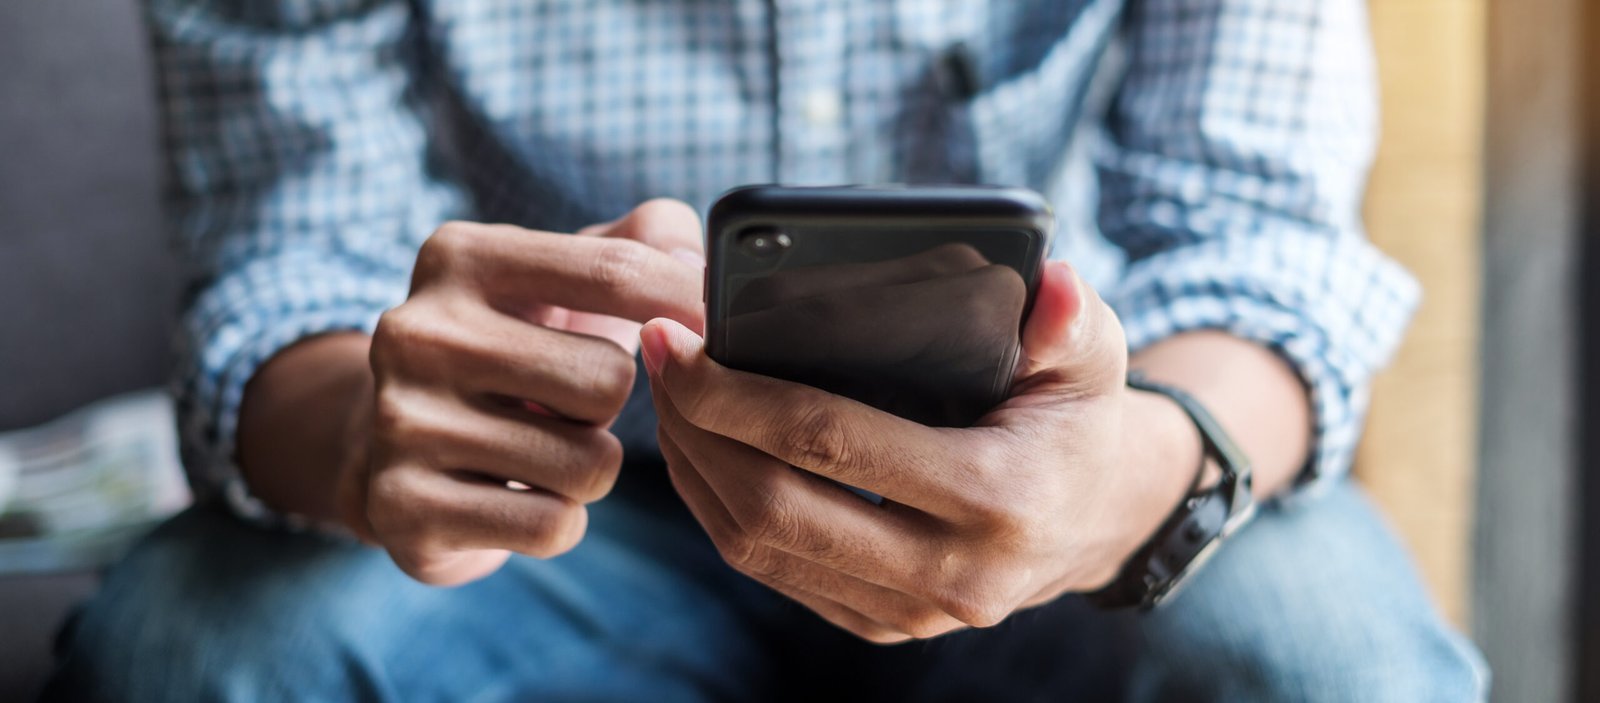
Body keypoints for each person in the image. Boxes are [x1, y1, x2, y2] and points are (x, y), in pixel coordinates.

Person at [46, 0, 1487, 700]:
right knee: (192, 647)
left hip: (1063, 473)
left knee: (1328, 653)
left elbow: (1256, 236)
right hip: (566, 513)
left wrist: (1142, 478)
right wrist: (366, 435)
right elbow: (285, 261)